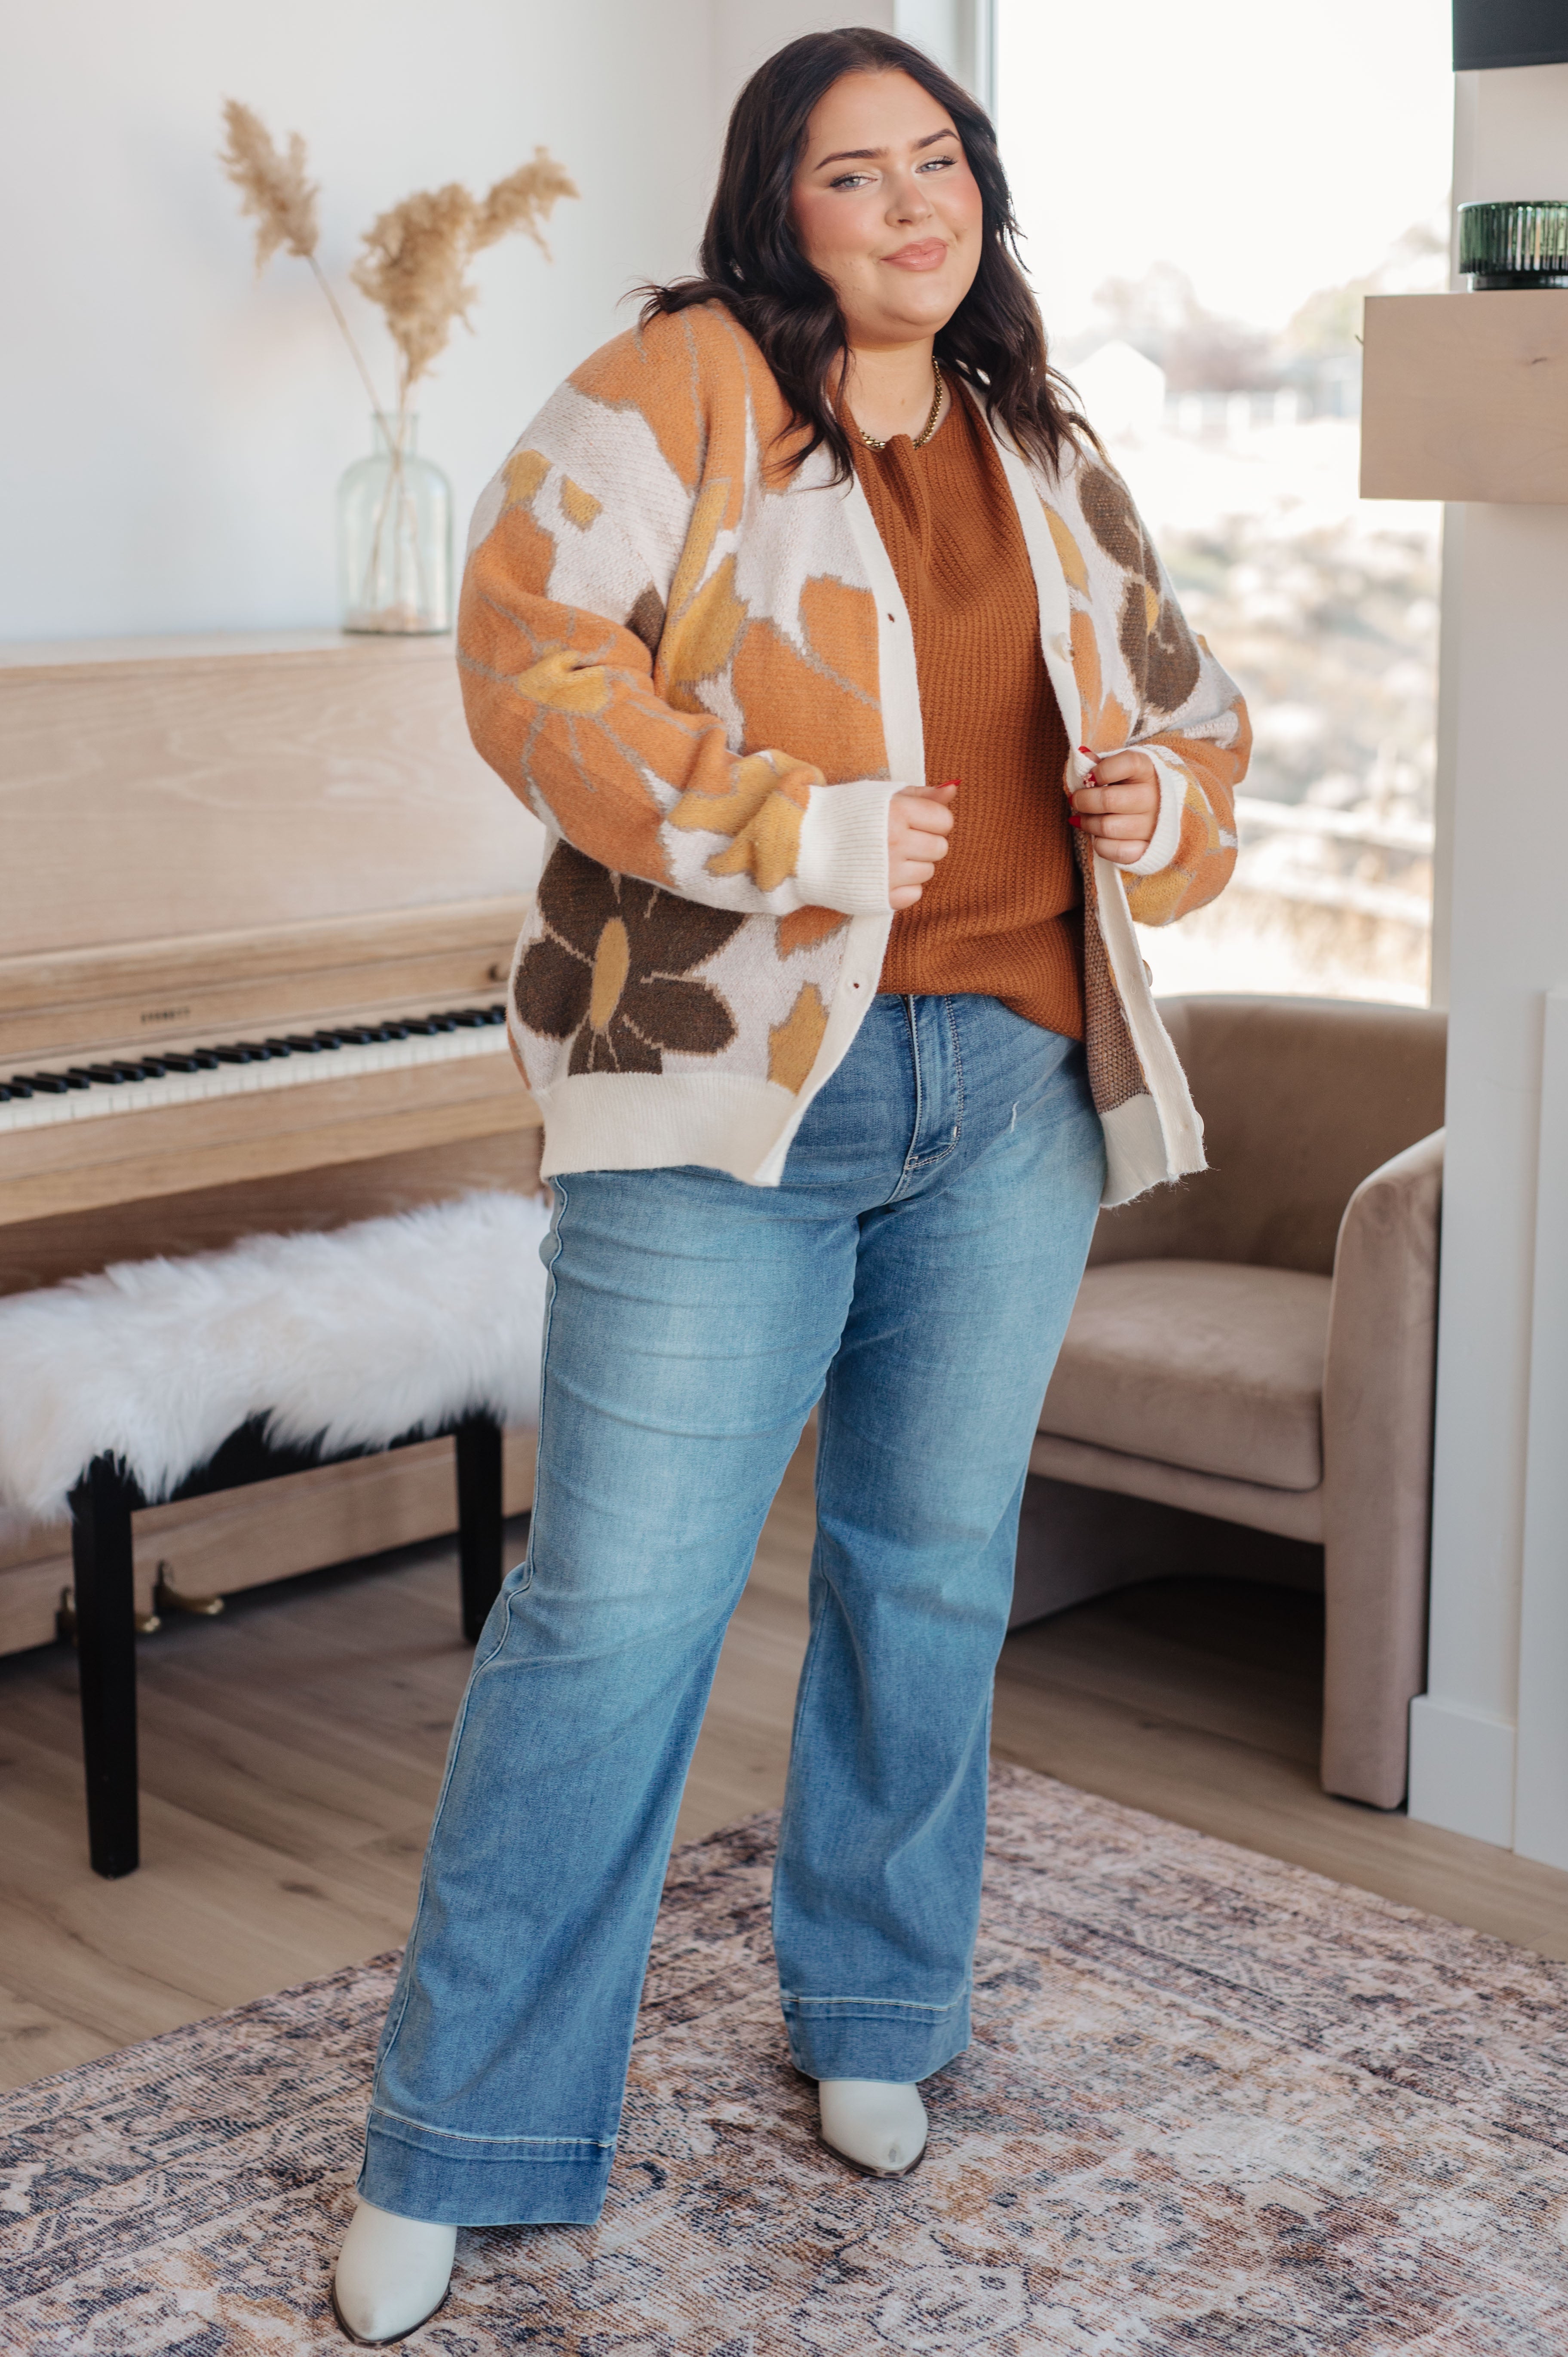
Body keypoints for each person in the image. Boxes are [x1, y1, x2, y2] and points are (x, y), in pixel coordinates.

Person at [331, 26, 1247, 2345]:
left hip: (1010, 1088)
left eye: (942, 161)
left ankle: (873, 2012)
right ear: (779, 207)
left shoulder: (1044, 438)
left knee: (929, 1578)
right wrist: (794, 826)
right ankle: (464, 2134)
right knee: (616, 1611)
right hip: (721, 1095)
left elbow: (1191, 709)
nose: (914, 205)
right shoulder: (676, 391)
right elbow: (528, 664)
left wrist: (1161, 801)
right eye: (858, 173)